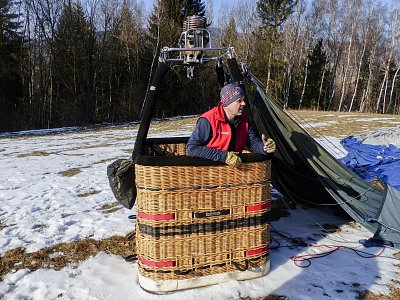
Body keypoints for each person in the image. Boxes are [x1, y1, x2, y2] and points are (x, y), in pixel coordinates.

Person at [187, 83, 276, 166]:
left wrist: (264, 147)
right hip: (210, 173)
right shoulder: (208, 120)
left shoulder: (244, 120)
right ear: (227, 102)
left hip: (234, 172)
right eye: (239, 101)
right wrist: (224, 156)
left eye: (243, 100)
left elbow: (252, 143)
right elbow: (192, 148)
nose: (244, 103)